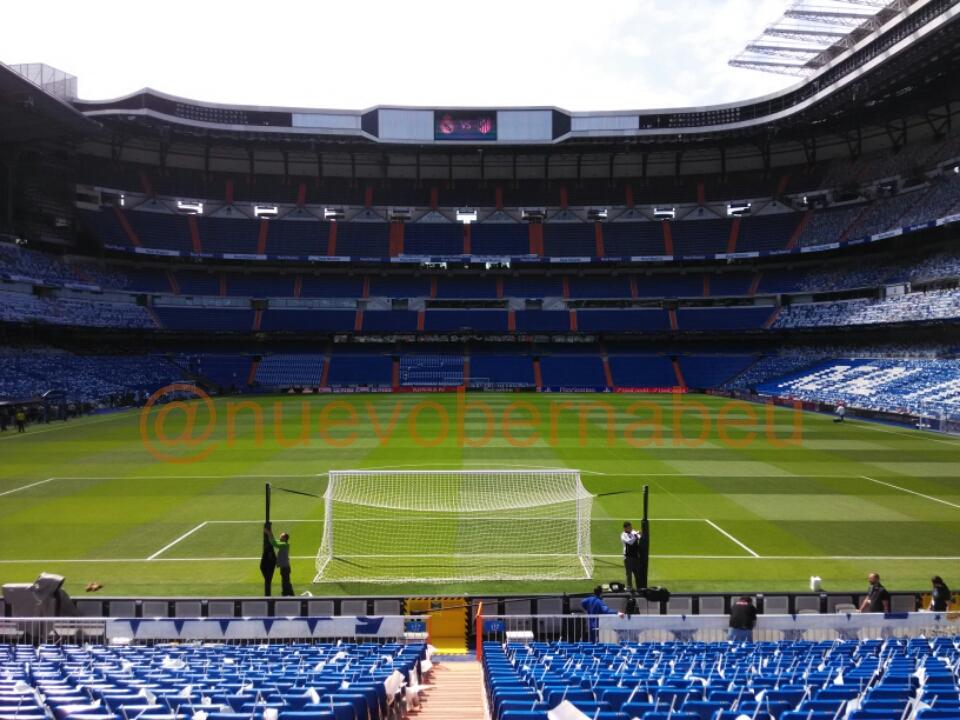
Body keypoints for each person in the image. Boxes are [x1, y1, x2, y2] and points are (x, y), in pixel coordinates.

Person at [264, 526, 294, 596]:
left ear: (285, 538)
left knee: (285, 581)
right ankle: (288, 593)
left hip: (285, 567)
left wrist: (268, 533)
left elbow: (274, 543)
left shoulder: (284, 545)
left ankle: (286, 594)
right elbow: (273, 541)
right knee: (286, 580)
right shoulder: (283, 544)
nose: (280, 537)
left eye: (281, 536)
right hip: (284, 567)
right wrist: (270, 533)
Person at [621, 521, 644, 592]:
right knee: (629, 574)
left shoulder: (633, 532)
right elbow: (630, 542)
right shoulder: (623, 535)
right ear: (625, 528)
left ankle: (639, 588)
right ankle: (629, 588)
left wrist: (638, 534)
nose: (631, 528)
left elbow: (639, 537)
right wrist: (636, 536)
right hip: (628, 557)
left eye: (631, 527)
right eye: (629, 527)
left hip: (635, 556)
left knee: (637, 574)